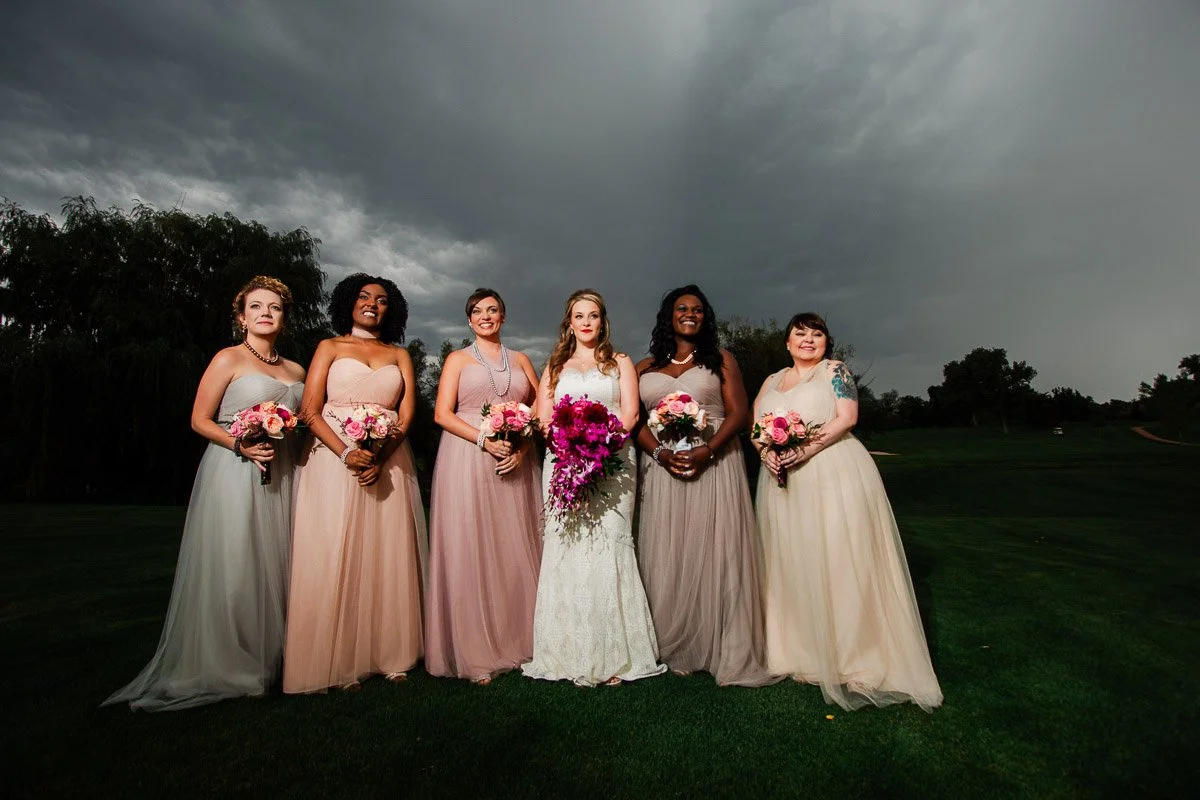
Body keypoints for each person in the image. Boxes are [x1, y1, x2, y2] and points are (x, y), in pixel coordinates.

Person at [104, 276, 306, 711]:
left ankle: (274, 658)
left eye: (274, 307)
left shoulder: (297, 371)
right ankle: (229, 662)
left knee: (278, 562)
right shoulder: (227, 359)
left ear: (285, 318)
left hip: (284, 472)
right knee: (236, 563)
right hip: (234, 471)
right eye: (256, 306)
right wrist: (240, 443)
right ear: (241, 316)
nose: (265, 313)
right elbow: (199, 419)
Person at [753, 312, 942, 711]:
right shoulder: (771, 381)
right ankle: (800, 650)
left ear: (826, 342)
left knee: (841, 557)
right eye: (799, 334)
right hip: (783, 483)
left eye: (816, 334)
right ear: (786, 343)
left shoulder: (835, 370)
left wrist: (803, 450)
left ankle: (853, 656)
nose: (808, 340)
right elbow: (757, 428)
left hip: (833, 473)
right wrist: (767, 452)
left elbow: (847, 417)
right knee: (793, 561)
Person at [282, 273, 427, 693]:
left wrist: (380, 455)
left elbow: (406, 413)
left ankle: (389, 654)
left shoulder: (399, 355)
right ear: (348, 303)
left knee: (386, 552)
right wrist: (347, 452)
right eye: (364, 297)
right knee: (336, 551)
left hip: (388, 460)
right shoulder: (329, 347)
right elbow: (310, 411)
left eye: (382, 300)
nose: (372, 305)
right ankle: (339, 662)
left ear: (392, 309)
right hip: (332, 458)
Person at [522, 289, 665, 686]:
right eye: (579, 315)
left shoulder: (620, 363)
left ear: (603, 322)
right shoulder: (555, 365)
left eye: (594, 315)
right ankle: (565, 651)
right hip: (563, 464)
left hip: (614, 463)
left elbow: (632, 413)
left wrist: (600, 450)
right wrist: (570, 451)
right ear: (569, 322)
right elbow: (543, 419)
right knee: (567, 545)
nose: (586, 322)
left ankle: (617, 654)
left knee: (609, 544)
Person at [634, 285, 774, 686]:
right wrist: (659, 454)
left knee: (716, 547)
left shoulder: (721, 360)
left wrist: (708, 449)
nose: (690, 314)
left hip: (715, 463)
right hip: (662, 468)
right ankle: (675, 641)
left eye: (697, 309)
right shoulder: (645, 367)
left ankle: (720, 642)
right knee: (669, 548)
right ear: (669, 316)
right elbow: (634, 422)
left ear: (705, 317)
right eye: (682, 308)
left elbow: (739, 413)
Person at [425, 288, 543, 684]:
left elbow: (541, 409)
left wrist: (524, 448)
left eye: (493, 310)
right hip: (466, 456)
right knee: (472, 546)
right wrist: (482, 438)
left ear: (504, 317)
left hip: (516, 460)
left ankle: (523, 639)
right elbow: (442, 413)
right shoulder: (458, 359)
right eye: (478, 311)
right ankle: (475, 650)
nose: (486, 316)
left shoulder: (523, 360)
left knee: (515, 545)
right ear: (469, 320)